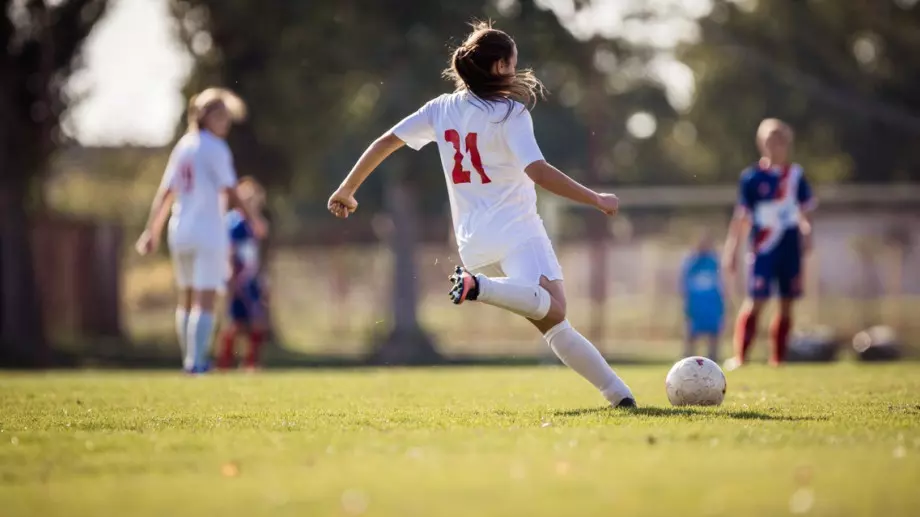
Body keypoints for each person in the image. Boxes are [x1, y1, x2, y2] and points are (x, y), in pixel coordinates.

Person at [327, 21, 635, 408]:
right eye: (513, 63)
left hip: (472, 242)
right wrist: (596, 198)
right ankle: (480, 287)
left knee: (554, 323)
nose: (516, 71)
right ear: (498, 66)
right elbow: (538, 172)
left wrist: (347, 188)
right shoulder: (510, 114)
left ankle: (619, 396)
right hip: (517, 231)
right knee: (555, 308)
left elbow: (386, 141)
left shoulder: (440, 108)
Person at [136, 88, 266, 374]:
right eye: (219, 116)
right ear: (203, 116)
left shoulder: (184, 146)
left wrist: (152, 230)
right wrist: (253, 220)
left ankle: (189, 360)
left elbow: (166, 192)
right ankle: (196, 364)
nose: (225, 122)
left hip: (180, 229)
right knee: (204, 298)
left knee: (187, 296)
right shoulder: (215, 147)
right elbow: (231, 189)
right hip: (208, 230)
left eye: (226, 117)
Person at [722, 118, 816, 368]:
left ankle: (778, 359)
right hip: (763, 248)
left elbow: (805, 212)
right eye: (770, 141)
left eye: (780, 141)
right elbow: (742, 216)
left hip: (789, 246)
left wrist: (807, 232)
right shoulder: (752, 177)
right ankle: (741, 357)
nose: (776, 146)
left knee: (787, 303)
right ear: (761, 143)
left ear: (787, 144)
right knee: (757, 300)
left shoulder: (795, 176)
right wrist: (732, 248)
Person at [217, 177, 270, 371]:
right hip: (237, 277)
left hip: (251, 277)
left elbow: (262, 233)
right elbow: (230, 250)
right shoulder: (233, 221)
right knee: (234, 323)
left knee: (257, 321)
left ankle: (251, 362)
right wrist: (232, 276)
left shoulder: (253, 222)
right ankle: (224, 363)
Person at [680, 230, 725, 362]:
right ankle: (687, 359)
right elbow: (684, 282)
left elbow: (721, 282)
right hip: (696, 304)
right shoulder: (691, 262)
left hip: (711, 304)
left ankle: (713, 358)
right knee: (691, 332)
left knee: (713, 333)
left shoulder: (714, 261)